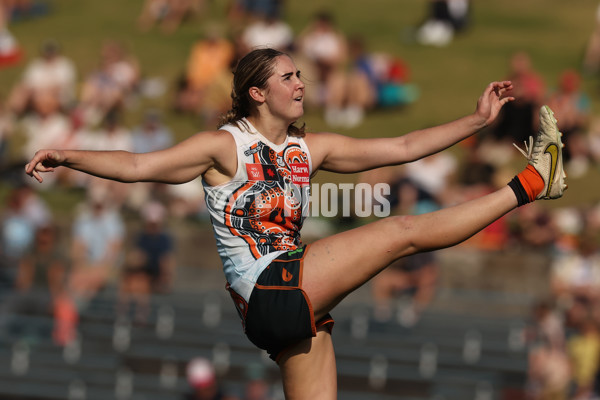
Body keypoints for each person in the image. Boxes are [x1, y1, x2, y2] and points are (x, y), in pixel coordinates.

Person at [24, 48, 567, 399]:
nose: (300, 82)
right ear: (258, 93)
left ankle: (535, 181)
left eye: (300, 73)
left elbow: (401, 146)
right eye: (288, 76)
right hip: (272, 287)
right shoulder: (224, 145)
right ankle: (533, 183)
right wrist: (67, 154)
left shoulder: (310, 147)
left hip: (281, 305)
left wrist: (475, 120)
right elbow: (139, 165)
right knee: (401, 232)